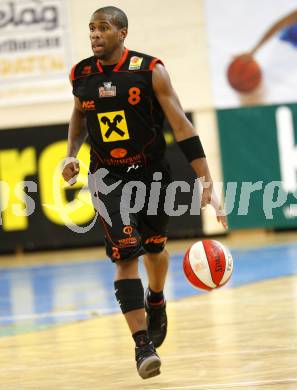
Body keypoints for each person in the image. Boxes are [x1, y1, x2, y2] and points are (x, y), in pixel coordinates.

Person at [62, 6, 227, 380]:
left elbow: (181, 124)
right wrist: (70, 155)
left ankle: (156, 298)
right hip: (106, 179)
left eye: (103, 28)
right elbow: (78, 116)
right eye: (91, 28)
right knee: (125, 255)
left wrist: (206, 181)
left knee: (154, 247)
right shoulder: (81, 74)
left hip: (153, 175)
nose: (94, 35)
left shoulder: (150, 70)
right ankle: (143, 347)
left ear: (122, 33)